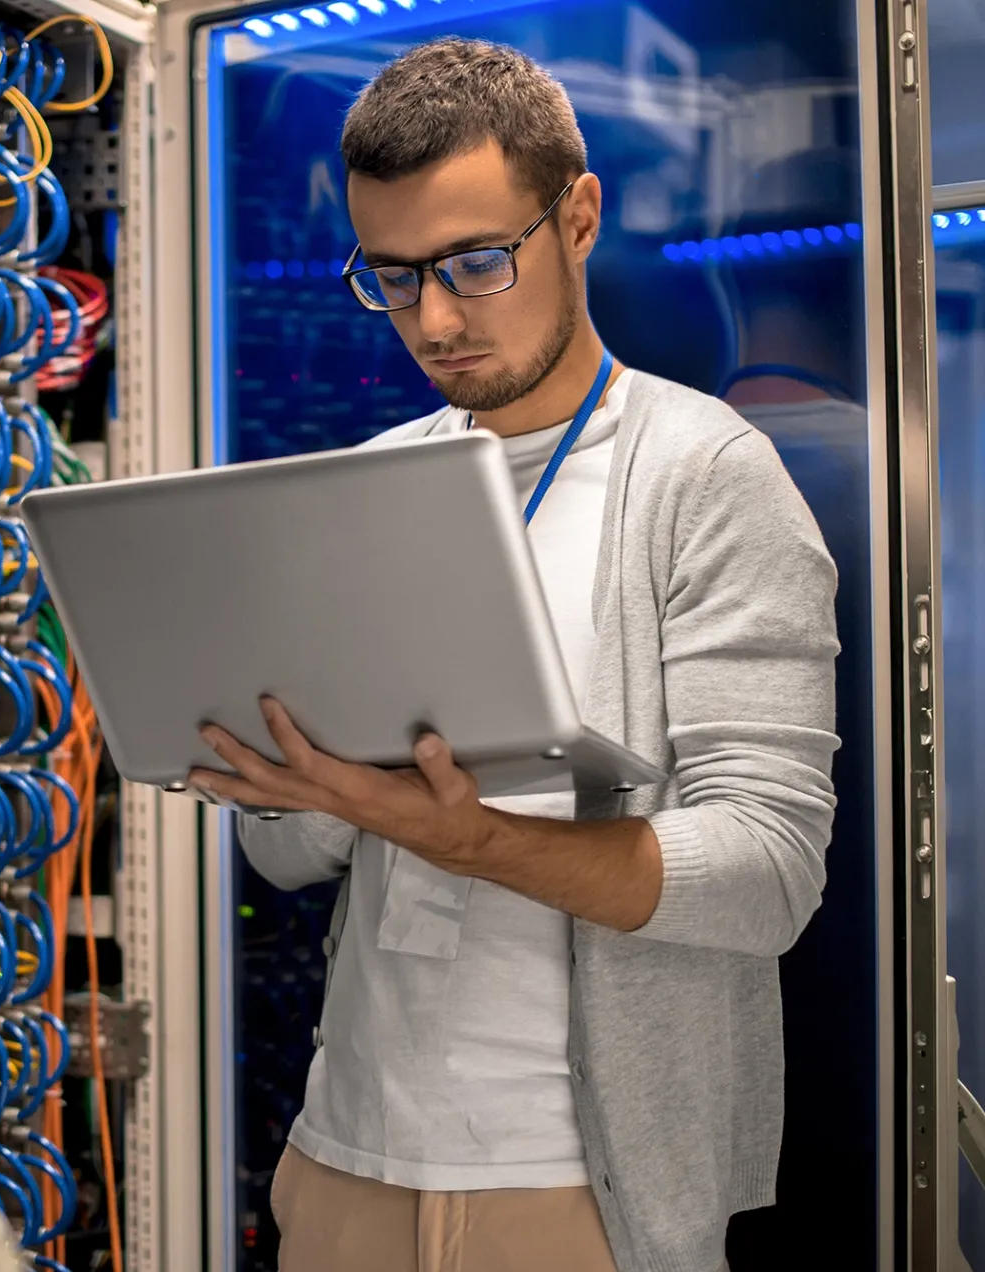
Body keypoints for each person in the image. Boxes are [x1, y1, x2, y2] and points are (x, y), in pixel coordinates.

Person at [188, 37, 840, 1272]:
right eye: (392, 278)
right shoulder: (373, 486)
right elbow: (280, 859)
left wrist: (466, 834)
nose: (434, 319)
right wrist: (299, 789)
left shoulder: (704, 478)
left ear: (578, 216)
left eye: (478, 263)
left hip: (580, 1192)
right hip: (347, 1162)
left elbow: (769, 871)